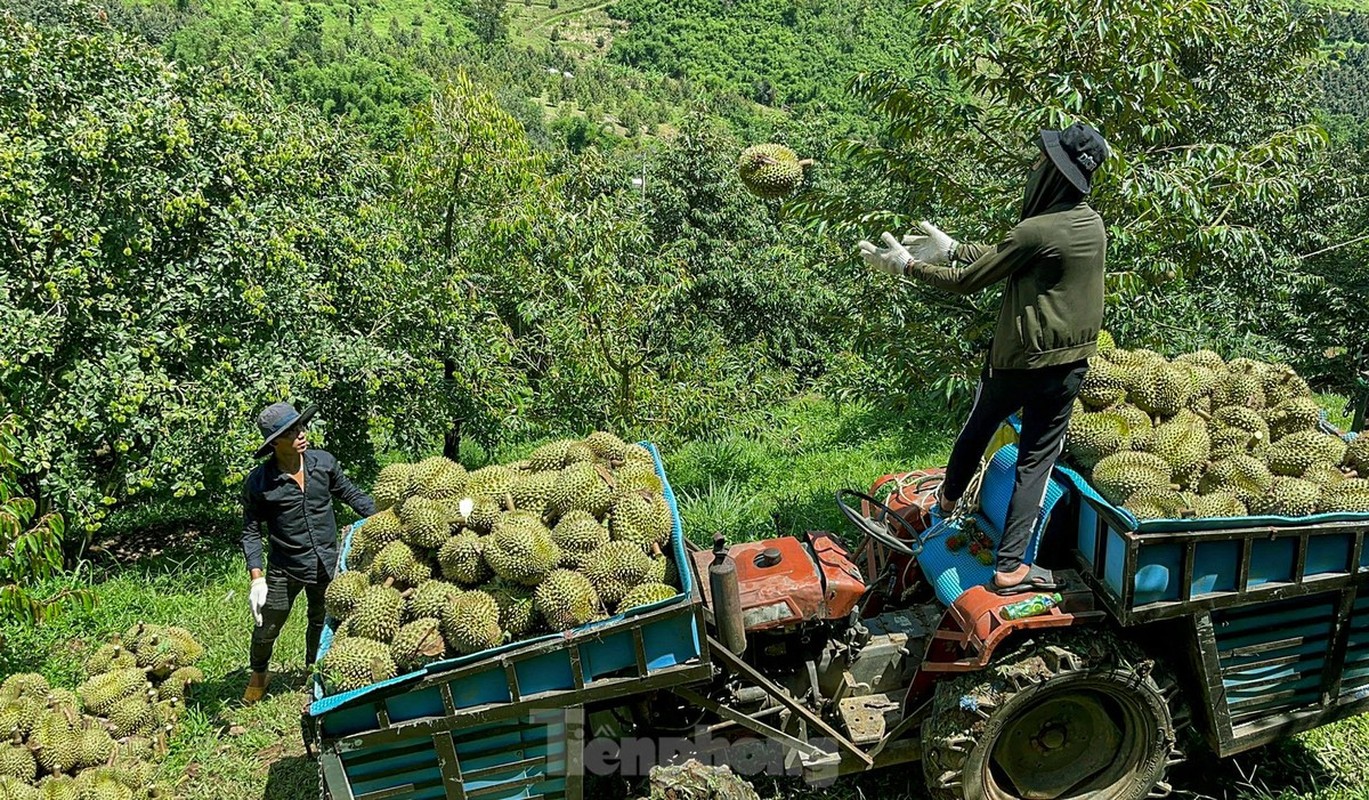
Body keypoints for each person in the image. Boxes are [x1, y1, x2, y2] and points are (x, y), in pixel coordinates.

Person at [859, 121, 1110, 595]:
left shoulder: (1036, 229)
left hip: (1017, 363)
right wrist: (951, 247)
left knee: (977, 429)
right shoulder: (1090, 224)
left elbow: (969, 281)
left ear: (1053, 175)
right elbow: (1003, 255)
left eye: (1041, 162)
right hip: (1070, 364)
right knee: (1036, 461)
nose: (1035, 167)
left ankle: (945, 504)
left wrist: (907, 266)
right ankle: (1012, 565)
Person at [240, 401, 376, 703]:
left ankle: (312, 671)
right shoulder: (260, 483)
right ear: (275, 442)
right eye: (292, 431)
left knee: (321, 621)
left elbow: (351, 494)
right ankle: (259, 672)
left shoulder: (323, 463)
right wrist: (256, 577)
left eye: (301, 426)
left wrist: (381, 516)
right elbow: (251, 530)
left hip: (326, 561)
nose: (302, 433)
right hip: (284, 567)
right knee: (267, 625)